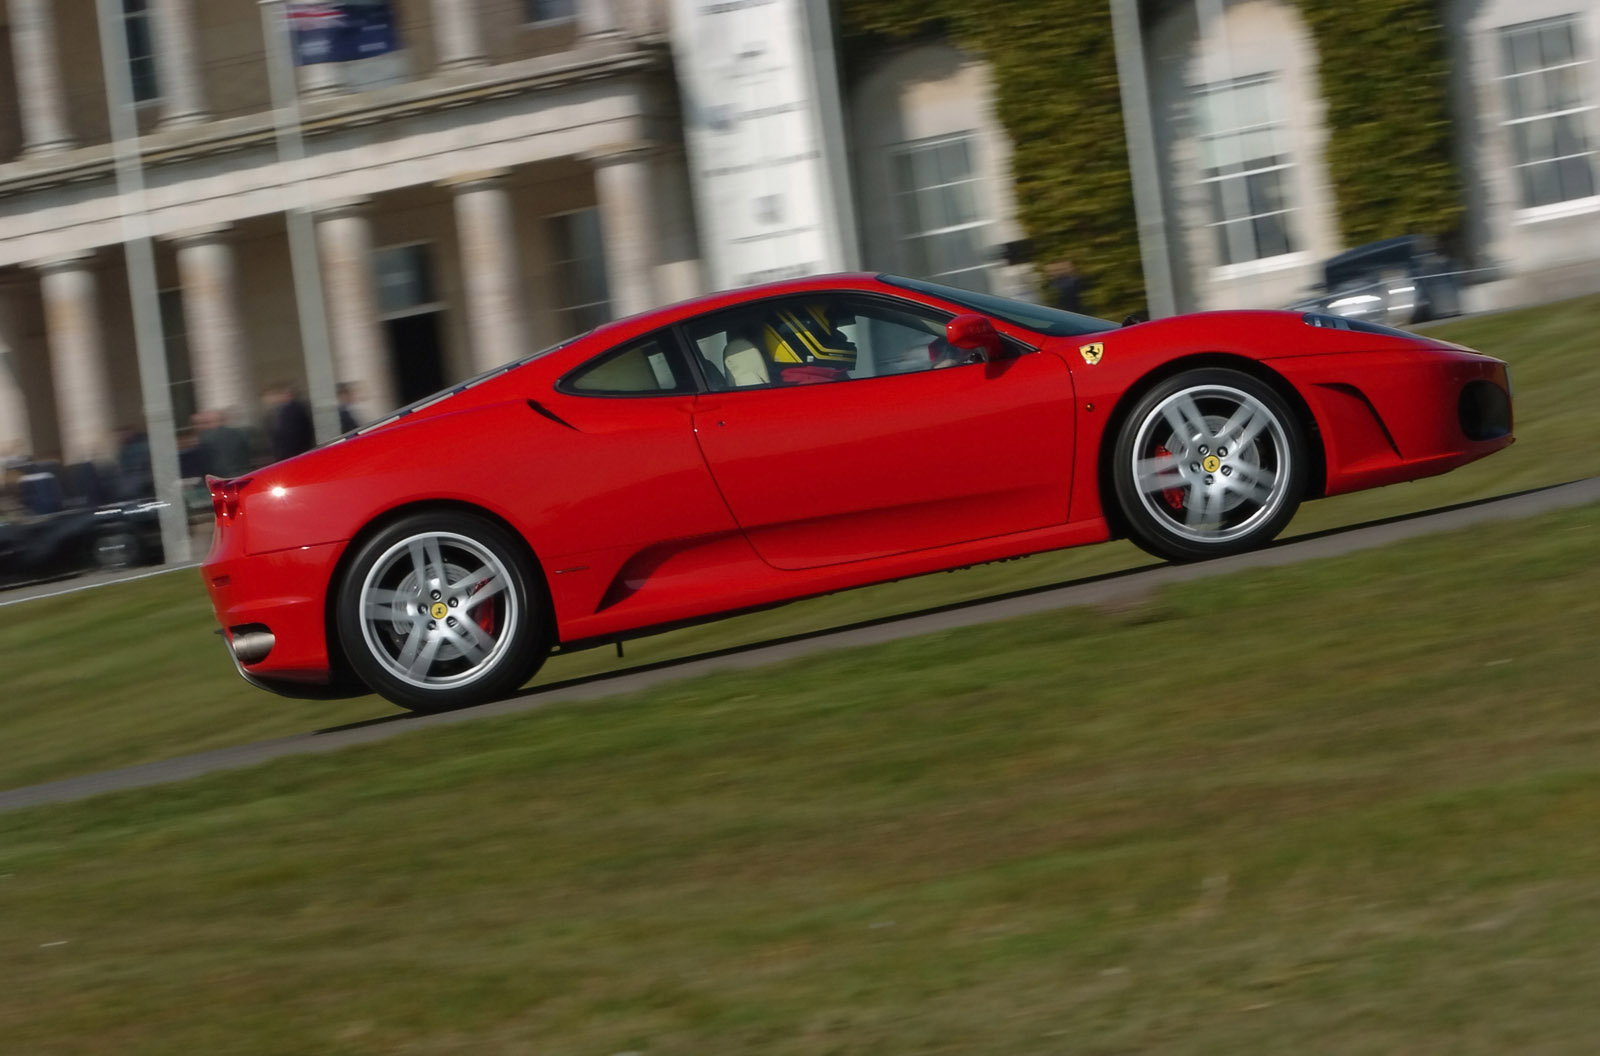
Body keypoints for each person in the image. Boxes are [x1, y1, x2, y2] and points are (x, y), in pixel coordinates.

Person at [264, 382, 315, 463]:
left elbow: (297, 433)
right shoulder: (279, 410)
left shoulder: (295, 408)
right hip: (286, 454)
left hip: (293, 454)